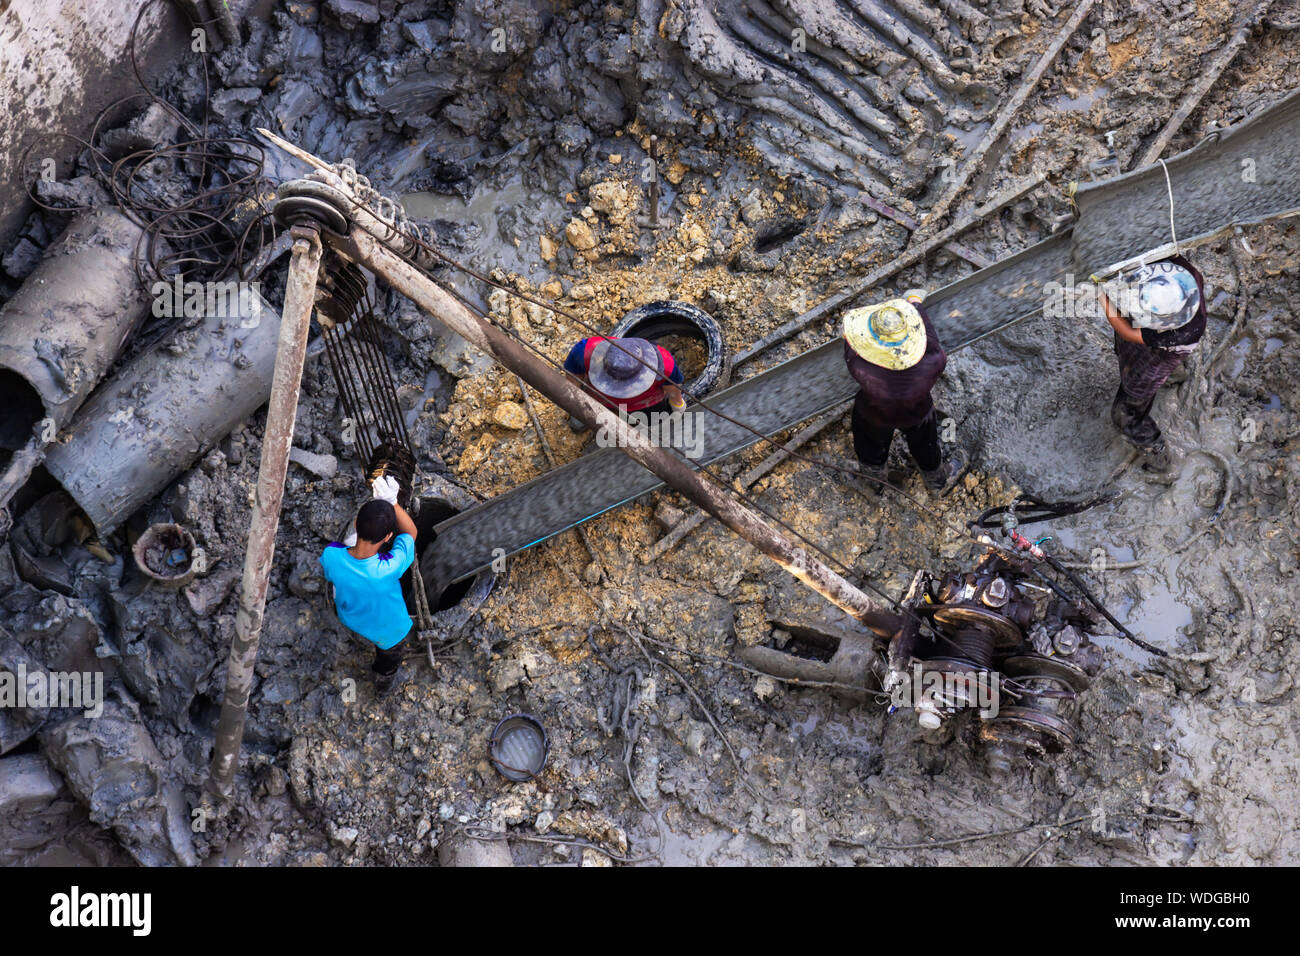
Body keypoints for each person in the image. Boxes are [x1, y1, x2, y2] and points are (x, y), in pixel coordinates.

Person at [842, 292, 966, 494]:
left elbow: (850, 341)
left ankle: (873, 481)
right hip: (917, 413)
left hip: (874, 415)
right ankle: (936, 482)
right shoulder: (934, 361)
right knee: (926, 446)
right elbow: (928, 333)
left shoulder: (860, 367)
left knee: (870, 447)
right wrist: (915, 303)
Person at [1097, 256, 1206, 471]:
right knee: (1162, 363)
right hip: (1167, 346)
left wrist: (1099, 295)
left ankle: (1161, 460)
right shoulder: (1183, 272)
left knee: (1126, 414)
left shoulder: (1181, 331)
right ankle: (1175, 376)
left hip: (1160, 354)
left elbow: (1127, 332)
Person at [319, 477, 417, 690]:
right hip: (390, 632)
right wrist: (392, 502)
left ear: (356, 524)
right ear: (389, 536)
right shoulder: (389, 568)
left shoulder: (331, 556)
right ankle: (382, 684)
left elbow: (337, 558)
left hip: (350, 617)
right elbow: (411, 533)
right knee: (388, 659)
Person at [563, 335, 686, 429]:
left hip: (643, 406)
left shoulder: (665, 365)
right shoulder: (583, 351)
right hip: (598, 400)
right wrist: (578, 408)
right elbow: (572, 383)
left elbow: (674, 391)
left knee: (650, 426)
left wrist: (677, 406)